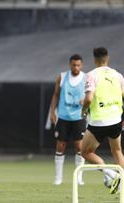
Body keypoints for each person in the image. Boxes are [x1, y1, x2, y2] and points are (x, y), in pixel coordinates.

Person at [81, 47, 124, 194]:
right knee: (117, 151)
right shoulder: (118, 75)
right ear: (108, 58)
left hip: (99, 122)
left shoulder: (91, 75)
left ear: (94, 60)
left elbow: (89, 98)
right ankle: (122, 183)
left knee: (85, 152)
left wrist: (83, 110)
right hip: (116, 120)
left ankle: (111, 174)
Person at [50, 54, 86, 185]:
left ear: (81, 65)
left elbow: (92, 96)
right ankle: (58, 178)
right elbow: (55, 95)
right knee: (60, 146)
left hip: (79, 117)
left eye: (78, 65)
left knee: (79, 147)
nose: (76, 67)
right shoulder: (62, 76)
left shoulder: (86, 78)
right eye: (73, 65)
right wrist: (52, 112)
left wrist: (86, 100)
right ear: (70, 64)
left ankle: (79, 178)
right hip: (63, 117)